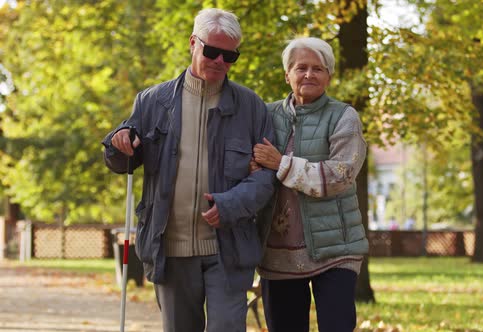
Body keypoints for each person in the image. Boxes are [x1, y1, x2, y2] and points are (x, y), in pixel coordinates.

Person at [102, 8, 275, 332]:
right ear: (193, 43)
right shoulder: (152, 101)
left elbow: (266, 177)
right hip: (169, 249)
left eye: (229, 56)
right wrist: (117, 142)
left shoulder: (251, 107)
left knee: (226, 326)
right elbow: (121, 158)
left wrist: (230, 205)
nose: (220, 61)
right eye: (212, 51)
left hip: (230, 249)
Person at [253, 37, 369, 332]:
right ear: (287, 75)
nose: (309, 74)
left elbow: (339, 176)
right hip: (278, 253)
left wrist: (281, 164)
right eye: (301, 67)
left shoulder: (344, 117)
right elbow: (248, 164)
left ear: (329, 76)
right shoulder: (263, 115)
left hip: (336, 249)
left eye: (318, 69)